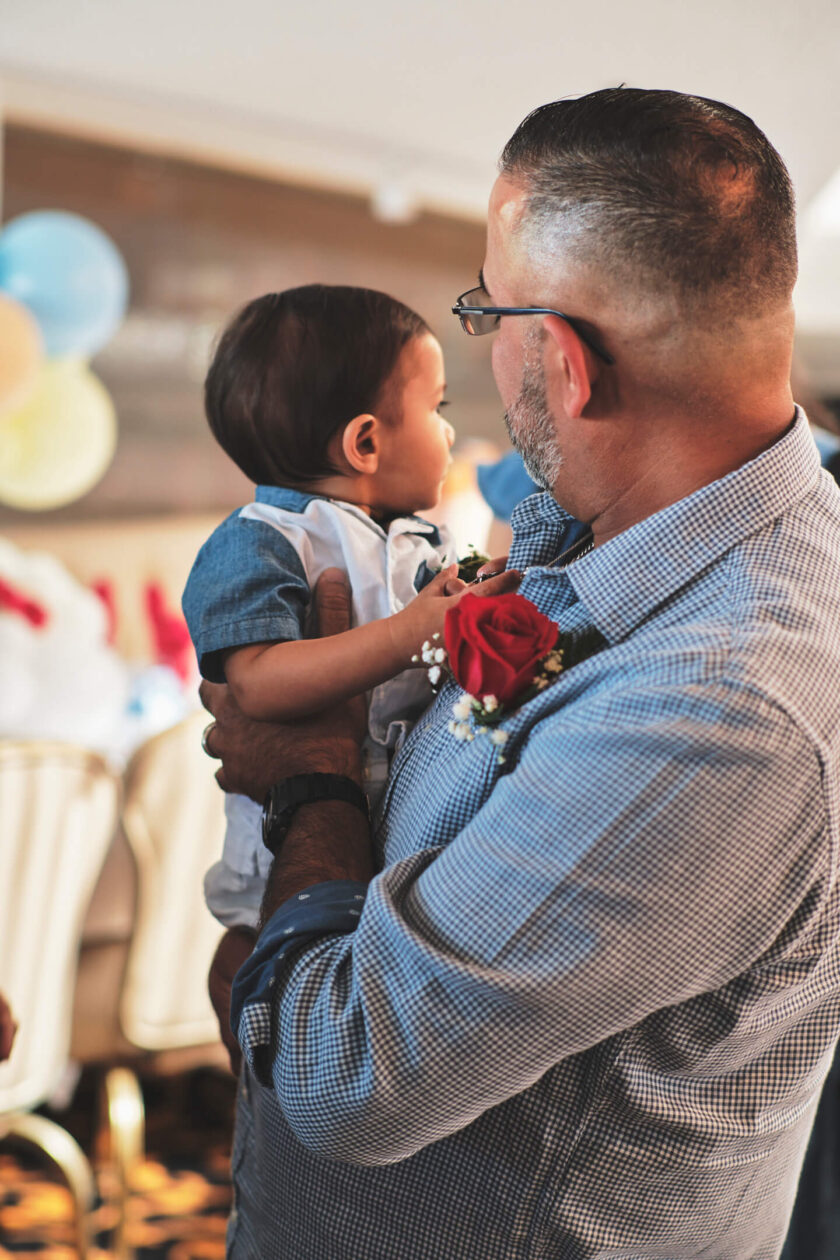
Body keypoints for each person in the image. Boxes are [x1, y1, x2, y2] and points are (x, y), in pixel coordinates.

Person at [201, 87, 840, 1259]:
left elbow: (350, 1079)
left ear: (564, 359)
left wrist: (309, 781)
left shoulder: (719, 703)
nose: (482, 348)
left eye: (486, 308)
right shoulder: (601, 529)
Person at [183, 285, 509, 931]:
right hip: (290, 863)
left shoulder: (415, 535)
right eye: (436, 407)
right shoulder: (266, 538)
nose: (449, 429)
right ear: (365, 443)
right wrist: (407, 632)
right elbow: (258, 682)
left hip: (397, 839)